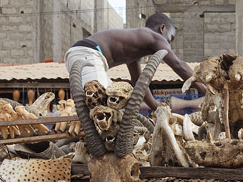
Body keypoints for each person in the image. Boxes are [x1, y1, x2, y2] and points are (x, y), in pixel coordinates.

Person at [64, 13, 206, 111]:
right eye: (171, 38)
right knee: (104, 107)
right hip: (87, 54)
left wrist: (157, 108)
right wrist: (208, 90)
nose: (169, 43)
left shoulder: (135, 51)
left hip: (82, 55)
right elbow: (179, 65)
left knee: (113, 106)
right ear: (162, 28)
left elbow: (140, 84)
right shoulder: (154, 36)